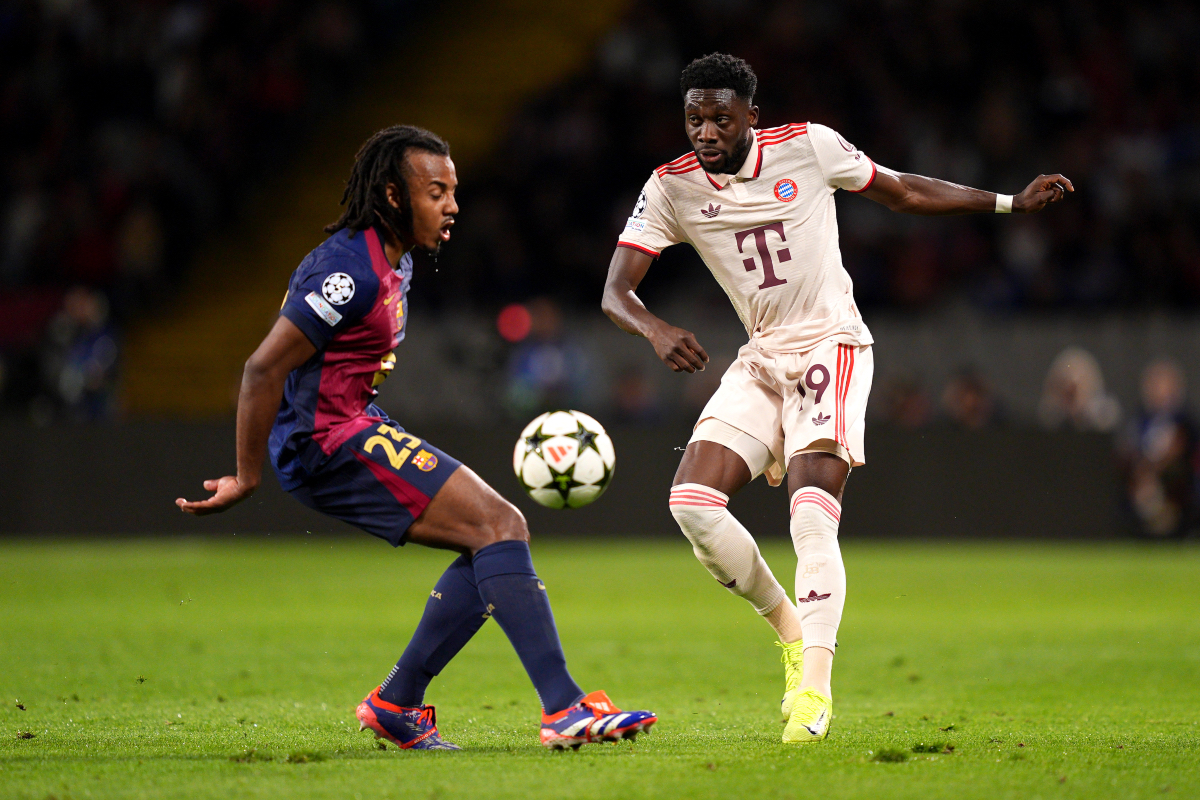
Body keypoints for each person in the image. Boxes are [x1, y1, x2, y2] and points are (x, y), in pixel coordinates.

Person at [601, 53, 1072, 744]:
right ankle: (792, 631)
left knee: (811, 521)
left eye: (720, 118)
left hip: (832, 346)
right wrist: (655, 328)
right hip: (761, 356)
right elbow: (616, 292)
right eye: (694, 118)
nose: (705, 130)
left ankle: (814, 691)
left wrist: (1006, 202)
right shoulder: (669, 188)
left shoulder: (808, 146)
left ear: (750, 117)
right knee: (692, 505)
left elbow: (902, 191)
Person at [177, 125, 655, 751]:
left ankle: (397, 703)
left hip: (354, 424)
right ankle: (563, 708)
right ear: (394, 195)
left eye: (453, 191)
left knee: (490, 540)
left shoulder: (393, 256)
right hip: (326, 442)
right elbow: (263, 367)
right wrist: (246, 474)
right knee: (500, 527)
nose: (453, 204)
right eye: (437, 191)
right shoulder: (349, 272)